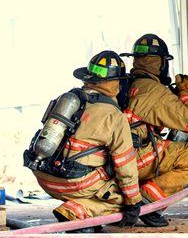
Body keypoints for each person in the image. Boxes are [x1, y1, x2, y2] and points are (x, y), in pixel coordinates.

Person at [25, 51, 142, 232]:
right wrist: (133, 203)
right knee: (120, 200)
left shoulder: (68, 99)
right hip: (73, 183)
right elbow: (125, 165)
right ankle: (77, 211)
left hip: (44, 175)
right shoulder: (114, 115)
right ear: (115, 83)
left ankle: (83, 211)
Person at [121, 34, 188, 227]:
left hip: (116, 156)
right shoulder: (152, 89)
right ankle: (148, 204)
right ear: (161, 64)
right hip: (133, 157)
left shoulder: (123, 82)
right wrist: (185, 94)